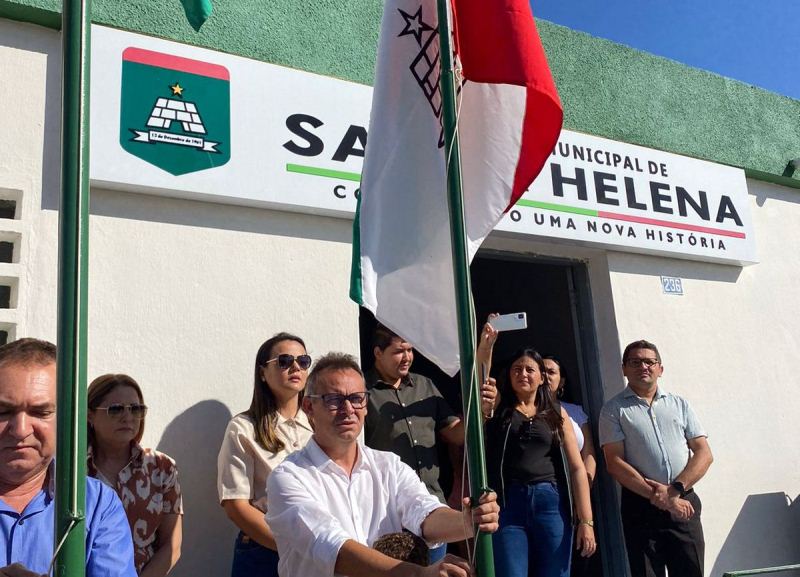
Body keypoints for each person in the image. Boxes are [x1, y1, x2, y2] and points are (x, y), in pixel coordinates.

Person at [267, 352, 500, 577]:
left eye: (356, 398)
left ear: (366, 405)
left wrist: (468, 521)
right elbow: (332, 548)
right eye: (334, 400)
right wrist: (419, 574)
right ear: (309, 407)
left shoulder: (388, 465)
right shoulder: (288, 477)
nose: (348, 409)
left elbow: (423, 512)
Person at [0, 338, 136, 577]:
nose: (20, 430)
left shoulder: (96, 505)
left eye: (41, 412)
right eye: (3, 411)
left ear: (66, 417)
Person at [364, 325, 496, 562]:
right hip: (387, 510)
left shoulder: (425, 385)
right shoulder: (363, 391)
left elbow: (456, 434)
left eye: (410, 350)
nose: (407, 357)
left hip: (431, 505)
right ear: (378, 353)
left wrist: (482, 412)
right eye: (399, 351)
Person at [599, 339, 713, 577]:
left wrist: (675, 490)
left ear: (660, 369)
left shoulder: (679, 405)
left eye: (650, 362)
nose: (643, 367)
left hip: (684, 503)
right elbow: (615, 463)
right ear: (624, 369)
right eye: (635, 362)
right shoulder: (613, 410)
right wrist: (659, 496)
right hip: (641, 508)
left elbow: (704, 453)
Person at [485, 348, 596, 577]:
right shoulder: (499, 408)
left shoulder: (557, 412)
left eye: (530, 369)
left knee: (555, 572)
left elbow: (577, 468)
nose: (523, 374)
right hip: (509, 503)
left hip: (550, 503)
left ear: (542, 377)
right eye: (517, 369)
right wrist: (487, 346)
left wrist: (586, 521)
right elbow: (481, 381)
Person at [217, 333, 313, 577]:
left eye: (303, 361)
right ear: (262, 372)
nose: (296, 367)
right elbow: (236, 505)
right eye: (284, 361)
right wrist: (289, 546)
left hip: (317, 545)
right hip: (264, 550)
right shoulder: (244, 428)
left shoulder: (318, 425)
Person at [87, 374, 183, 576]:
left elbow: (172, 545)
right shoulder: (73, 471)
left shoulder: (162, 467)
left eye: (135, 409)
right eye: (116, 409)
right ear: (90, 415)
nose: (128, 417)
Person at [542, 356, 596, 487]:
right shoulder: (527, 411)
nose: (545, 376)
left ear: (561, 382)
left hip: (576, 485)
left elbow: (589, 453)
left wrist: (585, 484)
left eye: (551, 372)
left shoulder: (575, 411)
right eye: (541, 371)